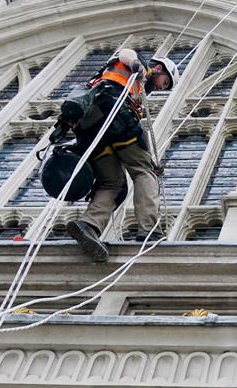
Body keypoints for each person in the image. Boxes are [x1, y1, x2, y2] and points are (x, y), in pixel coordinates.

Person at [56, 48, 176, 261]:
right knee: (144, 172)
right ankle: (149, 229)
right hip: (113, 114)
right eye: (164, 82)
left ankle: (88, 225)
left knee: (114, 184)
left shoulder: (138, 90)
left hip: (90, 128)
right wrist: (137, 65)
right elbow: (125, 53)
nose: (161, 88)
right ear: (158, 68)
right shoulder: (139, 67)